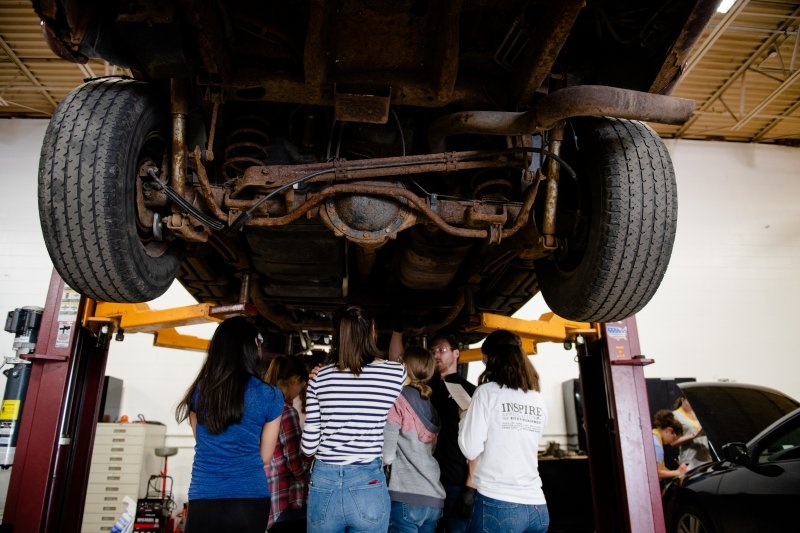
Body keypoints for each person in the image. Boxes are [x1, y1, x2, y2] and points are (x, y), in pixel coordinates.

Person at [301, 304, 407, 532]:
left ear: (337, 335)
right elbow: (396, 359)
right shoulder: (395, 374)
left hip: (324, 482)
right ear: (372, 332)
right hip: (368, 482)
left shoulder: (319, 378)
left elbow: (308, 448)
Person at [175, 317, 284, 533]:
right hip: (249, 499)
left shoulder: (199, 392)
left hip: (204, 496)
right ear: (252, 347)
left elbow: (203, 440)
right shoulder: (269, 395)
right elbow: (264, 456)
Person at [458, 329, 549, 533]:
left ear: (492, 359)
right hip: (537, 507)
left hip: (499, 505)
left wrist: (465, 415)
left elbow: (470, 449)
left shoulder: (486, 393)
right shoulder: (537, 398)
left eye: (484, 359)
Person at [383, 345, 446, 533]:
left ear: (405, 366)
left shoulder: (397, 400)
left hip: (406, 496)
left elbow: (387, 456)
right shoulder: (430, 405)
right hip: (434, 498)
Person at [427, 333, 476, 533]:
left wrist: (470, 487)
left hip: (456, 479)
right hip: (428, 479)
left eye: (442, 350)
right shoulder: (426, 390)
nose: (436, 354)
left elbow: (478, 439)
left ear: (456, 353)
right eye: (433, 351)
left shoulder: (470, 391)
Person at [264, 355, 311, 532]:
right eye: (301, 386)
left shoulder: (261, 405)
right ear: (295, 380)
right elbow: (295, 464)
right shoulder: (286, 411)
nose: (300, 392)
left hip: (267, 496)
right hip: (286, 501)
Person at [671, 396, 711, 469]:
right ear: (682, 400)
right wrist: (693, 436)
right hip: (689, 460)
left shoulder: (698, 413)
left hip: (706, 458)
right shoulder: (674, 416)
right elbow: (673, 442)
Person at [652, 409, 688, 480]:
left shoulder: (653, 435)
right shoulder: (657, 445)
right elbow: (657, 473)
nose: (672, 443)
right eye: (674, 439)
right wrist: (679, 472)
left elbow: (661, 470)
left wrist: (675, 472)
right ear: (669, 430)